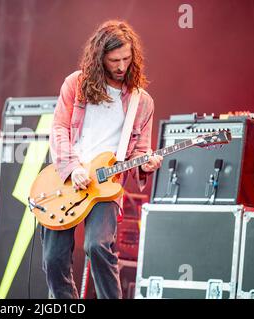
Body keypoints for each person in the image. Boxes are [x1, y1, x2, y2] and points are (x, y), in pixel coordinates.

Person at [43, 20, 163, 299]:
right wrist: (72, 168)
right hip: (68, 179)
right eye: (114, 60)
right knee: (53, 258)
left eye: (126, 58)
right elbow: (59, 128)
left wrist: (145, 163)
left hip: (106, 183)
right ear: (100, 58)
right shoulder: (76, 84)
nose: (122, 66)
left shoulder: (142, 101)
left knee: (97, 246)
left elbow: (140, 150)